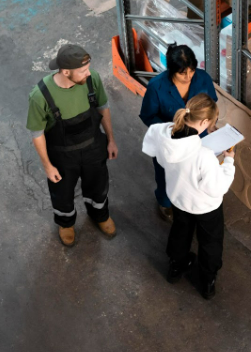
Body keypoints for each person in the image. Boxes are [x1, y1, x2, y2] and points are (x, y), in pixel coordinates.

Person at [142, 93, 235, 299]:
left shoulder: (164, 133)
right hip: (205, 207)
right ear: (203, 122)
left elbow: (160, 153)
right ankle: (207, 281)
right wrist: (228, 161)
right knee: (210, 242)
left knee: (180, 232)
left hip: (179, 199)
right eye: (210, 122)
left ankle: (176, 267)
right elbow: (217, 187)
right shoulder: (204, 155)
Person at [27, 44, 119, 247]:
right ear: (66, 72)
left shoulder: (92, 79)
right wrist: (48, 166)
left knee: (98, 185)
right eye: (83, 70)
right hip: (62, 156)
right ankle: (66, 223)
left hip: (94, 147)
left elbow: (103, 107)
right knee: (62, 192)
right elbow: (37, 134)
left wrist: (111, 140)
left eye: (88, 68)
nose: (89, 73)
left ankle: (100, 215)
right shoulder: (40, 95)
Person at [139, 44, 218, 223]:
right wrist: (170, 130)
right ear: (172, 71)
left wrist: (211, 124)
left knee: (196, 173)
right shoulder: (157, 86)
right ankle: (165, 203)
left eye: (191, 71)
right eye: (182, 73)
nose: (188, 76)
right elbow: (147, 115)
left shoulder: (202, 79)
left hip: (199, 139)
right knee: (166, 175)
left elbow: (211, 104)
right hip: (169, 142)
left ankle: (193, 201)